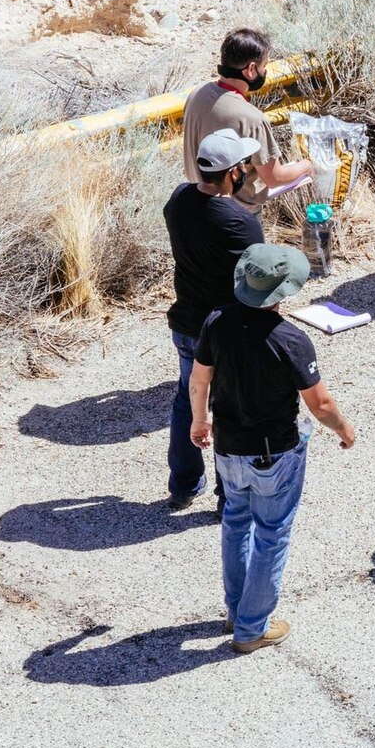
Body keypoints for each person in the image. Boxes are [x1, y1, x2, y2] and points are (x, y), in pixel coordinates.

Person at [190, 243, 356, 654]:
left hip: (228, 449)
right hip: (274, 453)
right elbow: (320, 405)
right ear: (284, 292)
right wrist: (344, 430)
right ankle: (251, 628)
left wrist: (200, 419)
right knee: (271, 534)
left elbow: (199, 380)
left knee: (235, 522)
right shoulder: (291, 340)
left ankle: (236, 608)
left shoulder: (216, 322)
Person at [160, 129, 264, 510]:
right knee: (228, 411)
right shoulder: (240, 223)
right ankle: (229, 497)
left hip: (186, 322)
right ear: (233, 172)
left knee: (188, 402)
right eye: (245, 166)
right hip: (224, 333)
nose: (249, 171)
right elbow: (257, 282)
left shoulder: (178, 200)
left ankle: (184, 485)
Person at [181, 28, 313, 212]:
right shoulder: (251, 119)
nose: (265, 71)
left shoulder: (197, 94)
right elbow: (274, 178)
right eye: (263, 66)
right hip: (236, 214)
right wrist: (305, 166)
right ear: (251, 69)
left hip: (199, 203)